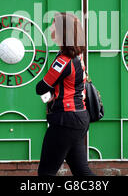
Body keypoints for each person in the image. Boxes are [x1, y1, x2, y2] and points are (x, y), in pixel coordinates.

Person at [35, 12, 95, 176]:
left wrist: (50, 92)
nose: (51, 29)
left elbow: (41, 87)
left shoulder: (63, 60)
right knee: (81, 171)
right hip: (79, 117)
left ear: (64, 32)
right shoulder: (78, 57)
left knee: (46, 172)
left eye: (54, 25)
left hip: (65, 120)